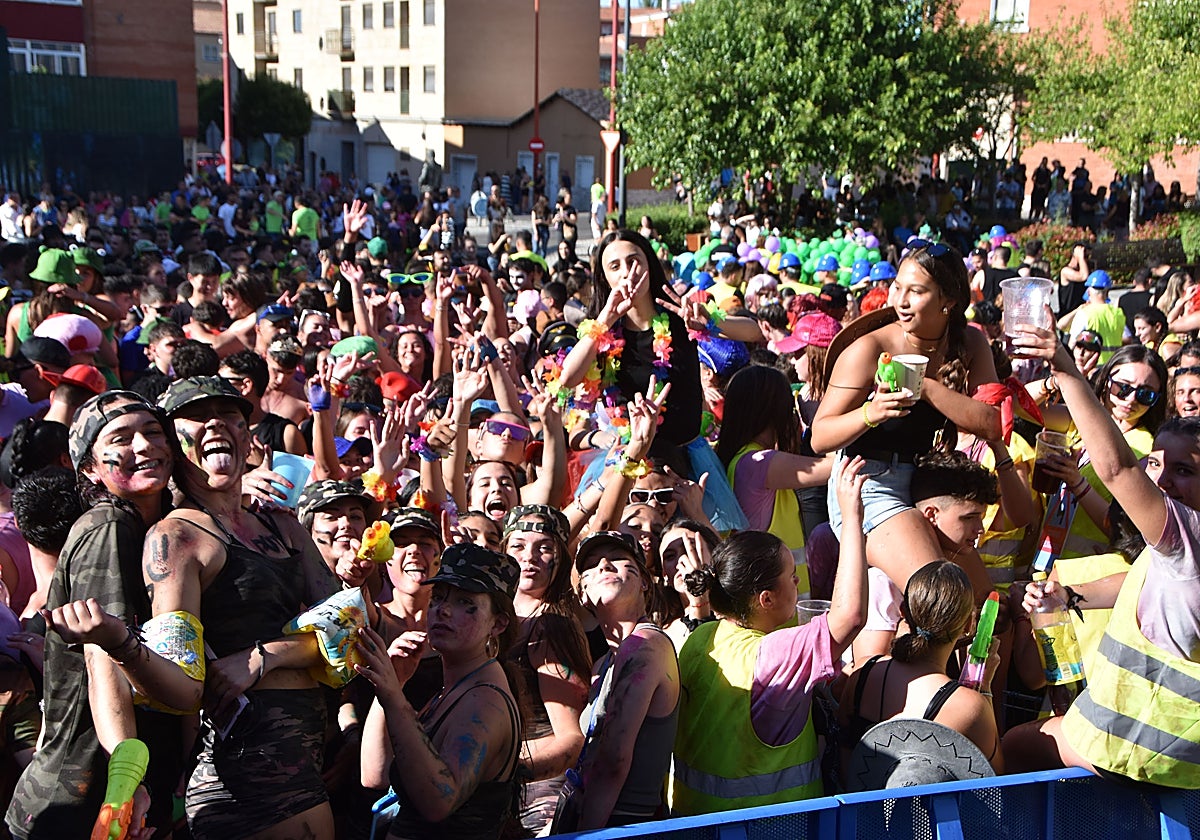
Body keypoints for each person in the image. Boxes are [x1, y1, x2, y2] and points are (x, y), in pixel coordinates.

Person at [140, 377, 343, 838]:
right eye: (197, 415)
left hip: (305, 766)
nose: (215, 422)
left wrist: (266, 656)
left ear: (248, 437)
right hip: (238, 772)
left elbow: (351, 629)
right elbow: (179, 677)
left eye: (230, 414)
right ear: (172, 443)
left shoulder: (281, 525)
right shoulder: (176, 539)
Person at [1001, 320, 1200, 788]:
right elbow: (1143, 579)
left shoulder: (1187, 536)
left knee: (1014, 746)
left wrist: (1062, 363)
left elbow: (1116, 468)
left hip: (1141, 748)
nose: (1164, 479)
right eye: (1158, 463)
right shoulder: (1172, 549)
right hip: (1177, 757)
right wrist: (1067, 595)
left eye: (1185, 470)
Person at [7, 392, 181, 839]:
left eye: (154, 433)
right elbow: (103, 655)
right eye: (121, 438)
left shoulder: (160, 524)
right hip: (86, 799)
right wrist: (127, 784)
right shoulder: (109, 527)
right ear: (89, 467)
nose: (143, 446)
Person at [670, 457, 868, 815]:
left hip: (694, 822)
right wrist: (852, 518)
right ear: (766, 599)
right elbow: (850, 616)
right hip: (768, 827)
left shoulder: (701, 638)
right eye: (791, 576)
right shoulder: (775, 654)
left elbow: (731, 569)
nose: (797, 582)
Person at [811, 240, 1000, 597]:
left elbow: (992, 423)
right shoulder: (870, 347)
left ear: (948, 301)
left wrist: (927, 387)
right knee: (942, 592)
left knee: (986, 602)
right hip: (868, 485)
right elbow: (819, 437)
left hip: (925, 484)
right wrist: (872, 412)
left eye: (916, 291)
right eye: (897, 287)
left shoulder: (971, 343)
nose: (900, 300)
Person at [357, 544, 524, 839]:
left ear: (497, 624)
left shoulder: (484, 700)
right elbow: (374, 774)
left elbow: (439, 801)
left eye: (464, 602)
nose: (443, 610)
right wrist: (392, 687)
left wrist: (396, 700)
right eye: (439, 598)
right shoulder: (454, 689)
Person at [838, 560, 1003, 776]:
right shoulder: (969, 707)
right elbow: (996, 775)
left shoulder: (863, 672)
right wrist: (985, 687)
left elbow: (842, 751)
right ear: (968, 626)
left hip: (857, 805)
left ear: (903, 611)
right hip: (925, 810)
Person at [570, 530, 680, 829]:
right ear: (583, 594)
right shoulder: (603, 663)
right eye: (591, 565)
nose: (604, 563)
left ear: (645, 581)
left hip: (621, 827)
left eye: (618, 558)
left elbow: (613, 762)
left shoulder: (644, 646)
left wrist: (585, 835)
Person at [500, 504, 590, 834]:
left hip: (537, 796)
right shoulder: (496, 617)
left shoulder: (549, 627)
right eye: (518, 546)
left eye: (545, 547)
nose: (530, 556)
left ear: (560, 559)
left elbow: (569, 740)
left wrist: (501, 775)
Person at [717, 365, 832, 596]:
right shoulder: (759, 462)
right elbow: (836, 467)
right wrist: (820, 422)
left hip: (775, 605)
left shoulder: (741, 459)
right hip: (778, 614)